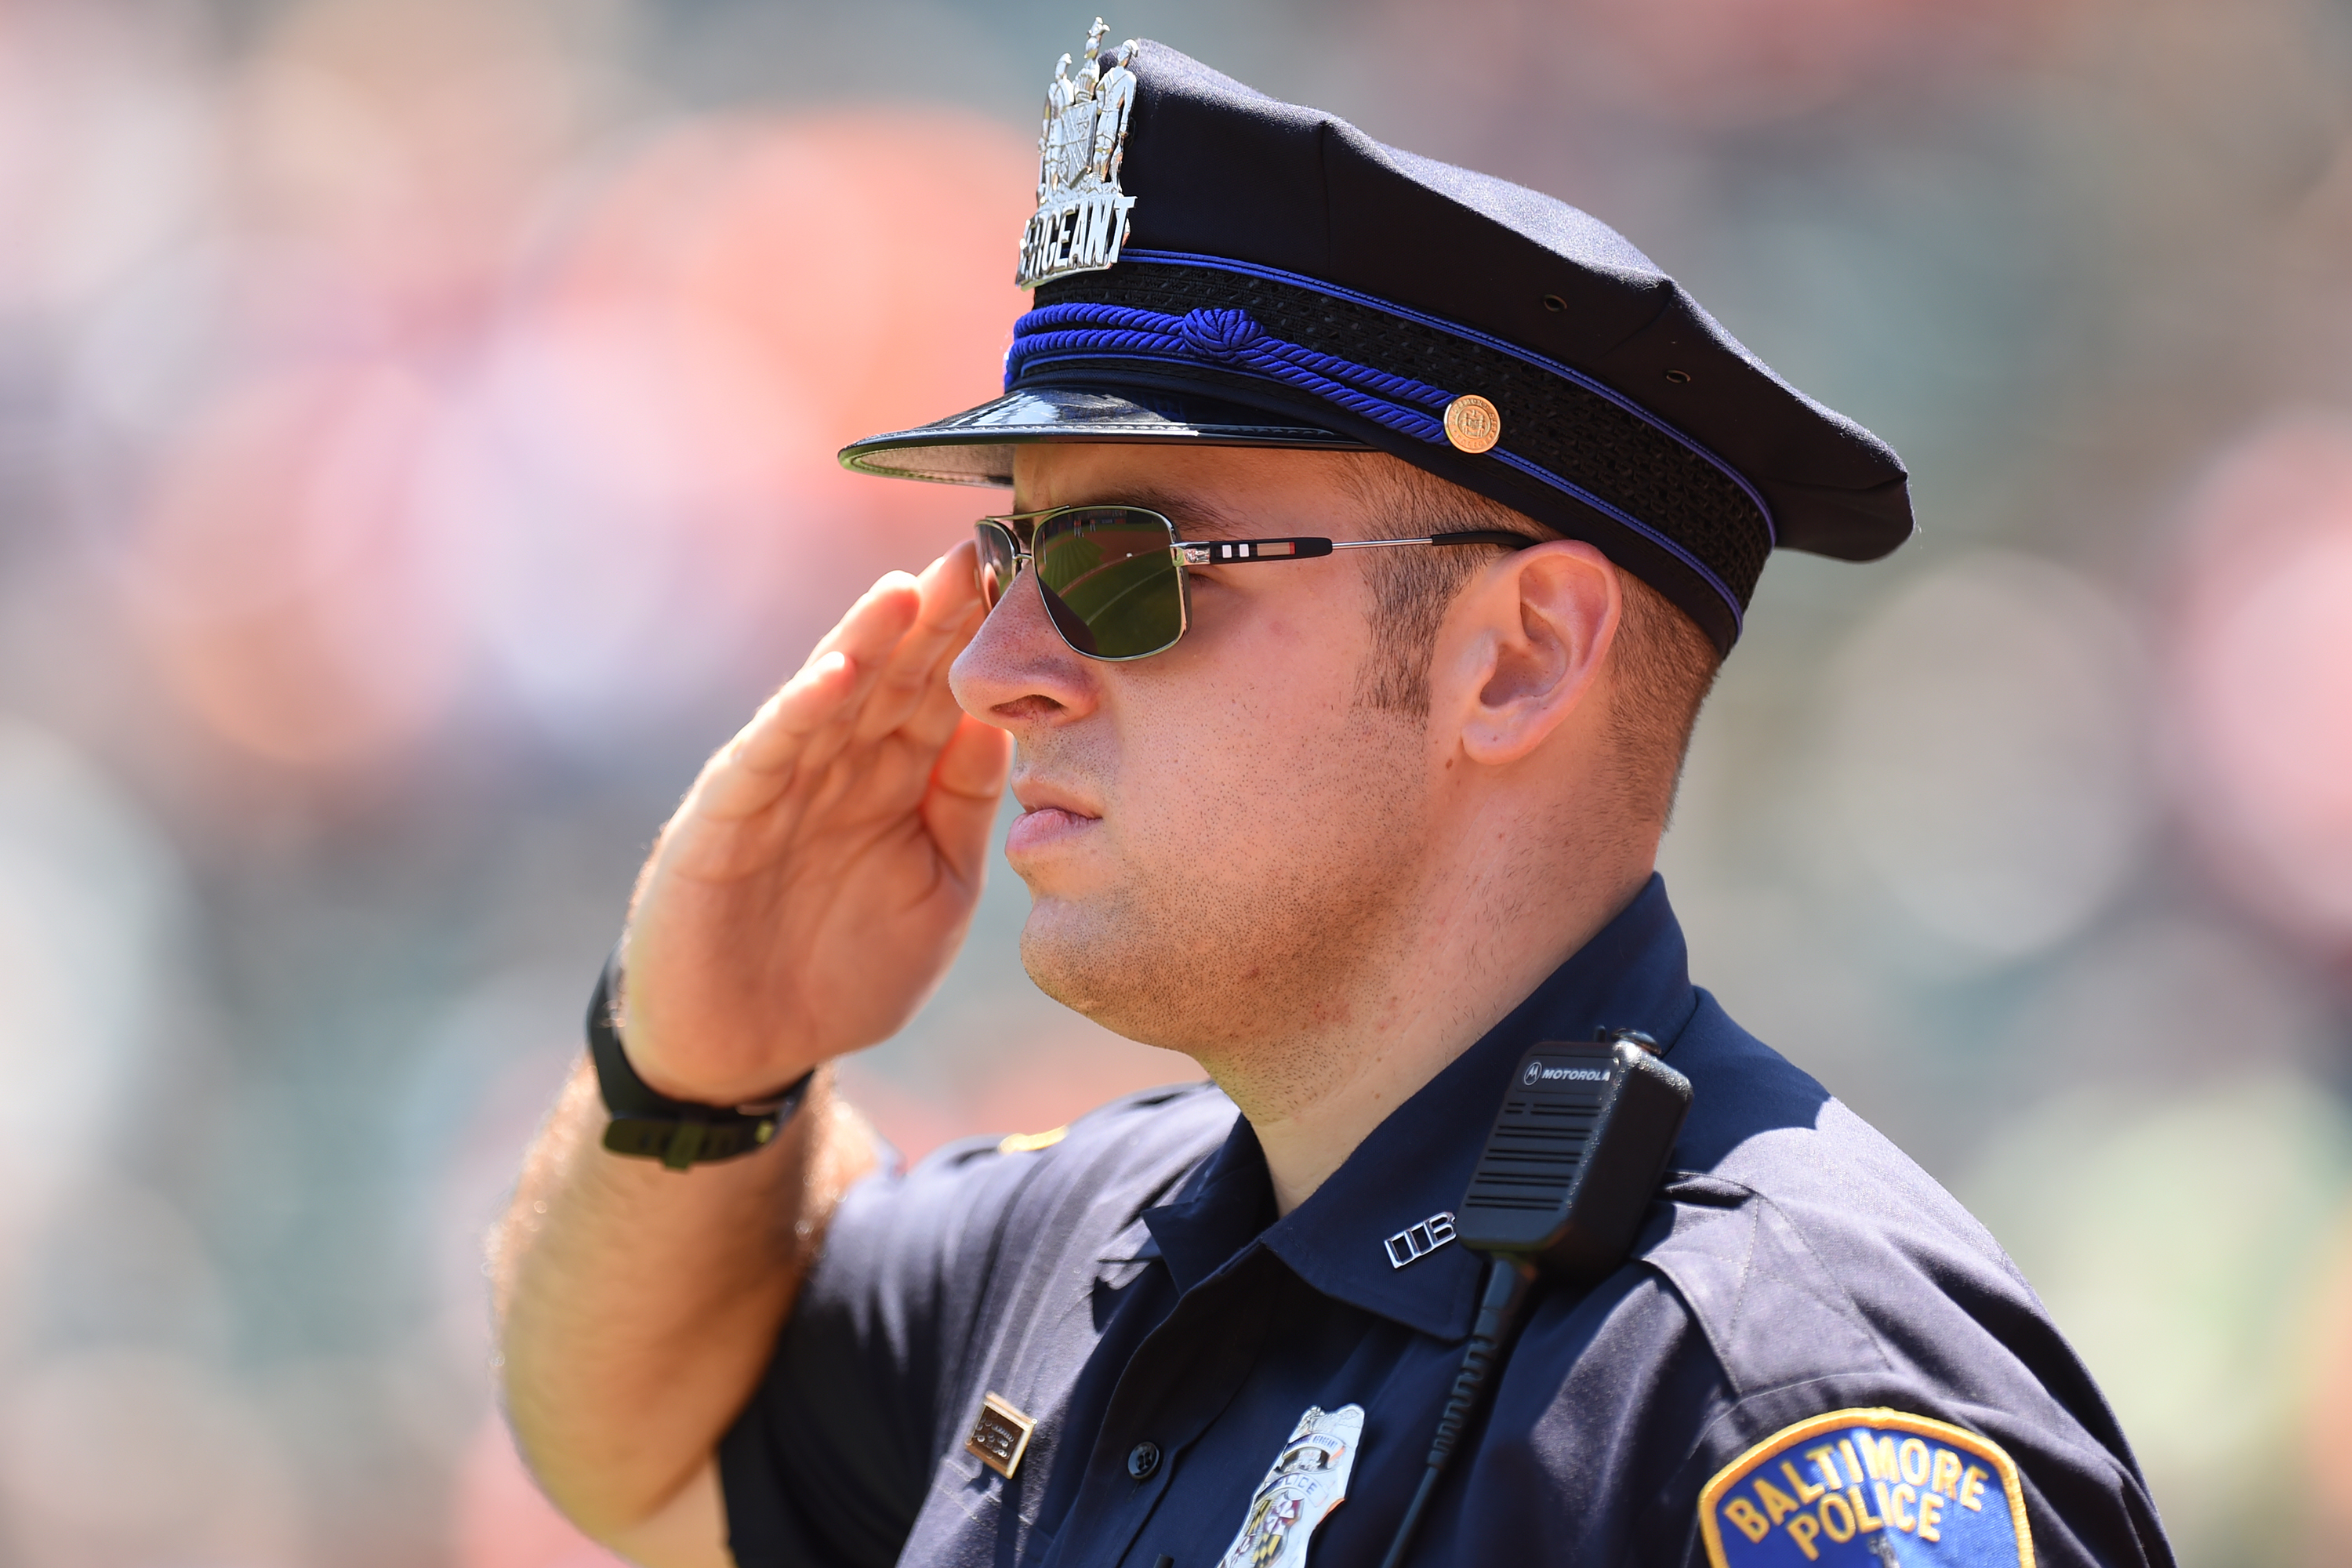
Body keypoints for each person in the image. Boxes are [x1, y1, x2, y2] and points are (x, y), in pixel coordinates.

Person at [492, 27, 2176, 1568]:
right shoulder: (1096, 1244)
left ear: (1515, 659)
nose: (994, 665)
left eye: (1117, 561)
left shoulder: (1768, 1406)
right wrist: (698, 1063)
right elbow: (638, 1446)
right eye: (1007, 546)